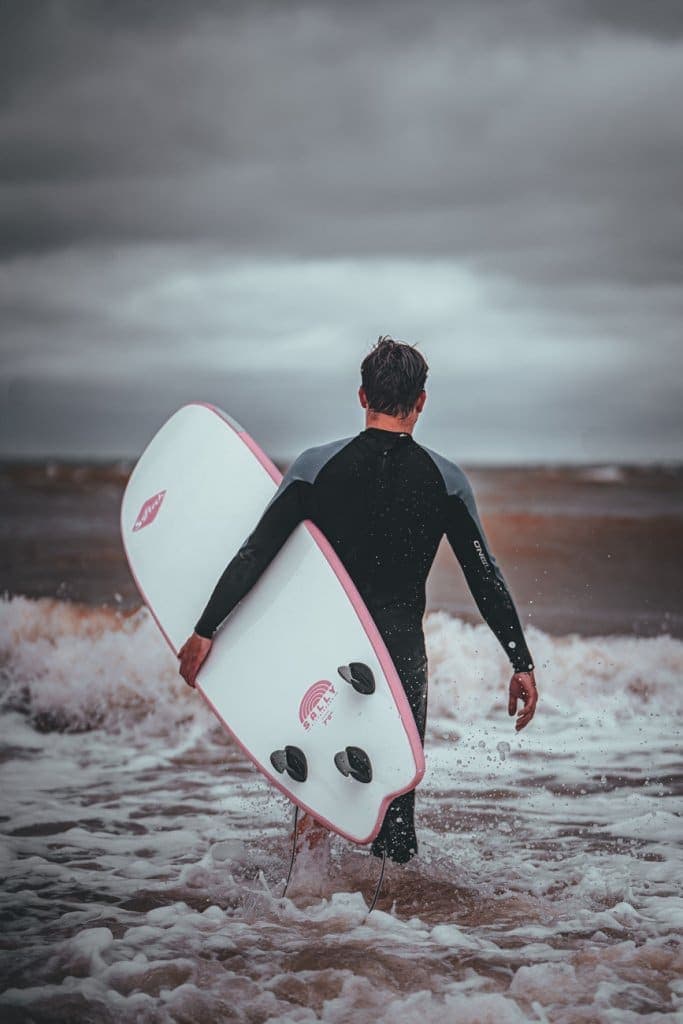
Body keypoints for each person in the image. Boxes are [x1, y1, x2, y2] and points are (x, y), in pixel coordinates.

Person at [178, 336, 538, 865]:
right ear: (422, 402)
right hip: (399, 659)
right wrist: (520, 661)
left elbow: (256, 553)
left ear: (362, 395)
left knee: (317, 785)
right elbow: (485, 577)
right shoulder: (445, 481)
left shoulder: (315, 467)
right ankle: (388, 908)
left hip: (327, 652)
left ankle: (307, 893)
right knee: (392, 800)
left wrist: (205, 630)